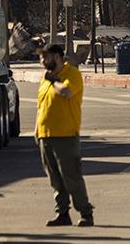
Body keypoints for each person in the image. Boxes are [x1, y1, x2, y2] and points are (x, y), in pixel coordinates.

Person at [36, 43, 94, 227]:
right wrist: (38, 131)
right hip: (46, 135)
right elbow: (41, 107)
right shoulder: (46, 79)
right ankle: (62, 214)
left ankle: (86, 213)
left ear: (58, 57)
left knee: (72, 177)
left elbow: (67, 93)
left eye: (46, 57)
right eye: (42, 57)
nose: (43, 60)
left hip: (66, 136)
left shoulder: (72, 75)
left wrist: (53, 80)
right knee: (55, 178)